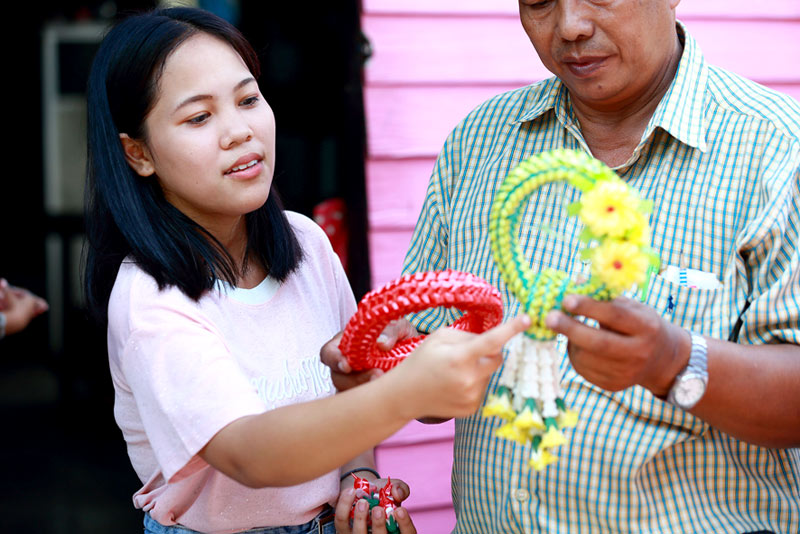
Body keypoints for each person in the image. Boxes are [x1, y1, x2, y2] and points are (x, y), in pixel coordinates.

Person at [322, 1, 800, 532]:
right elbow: (434, 381)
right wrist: (389, 364)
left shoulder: (779, 149)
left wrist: (672, 361)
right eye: (539, 2)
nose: (570, 26)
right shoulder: (479, 142)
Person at [83, 7, 532, 534]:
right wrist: (404, 393)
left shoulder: (307, 243)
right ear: (138, 154)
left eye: (248, 100)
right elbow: (251, 454)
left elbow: (349, 389)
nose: (239, 131)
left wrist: (359, 479)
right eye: (199, 117)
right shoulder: (150, 299)